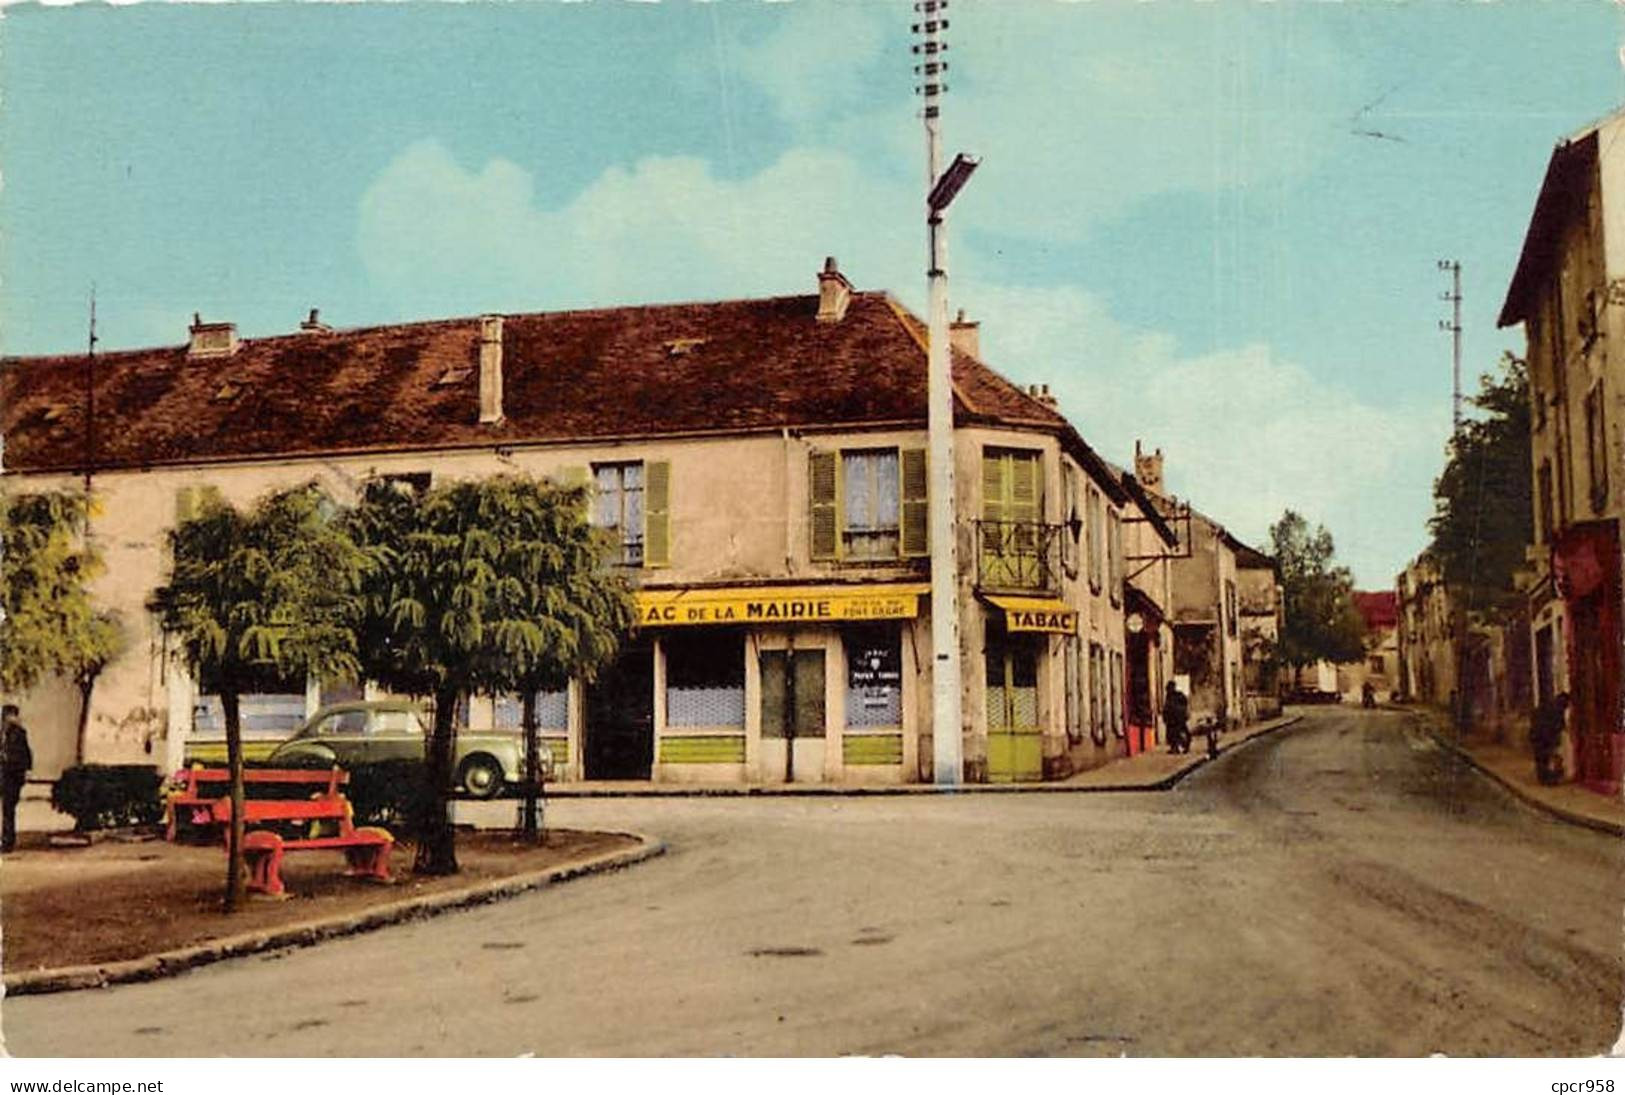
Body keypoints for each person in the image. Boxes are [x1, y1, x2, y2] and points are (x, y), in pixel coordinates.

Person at [1, 704, 33, 853]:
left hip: (12, 775)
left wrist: (27, 771)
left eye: (9, 715)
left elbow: (26, 754)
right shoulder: (1, 731)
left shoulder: (19, 733)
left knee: (8, 809)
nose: (7, 718)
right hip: (2, 774)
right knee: (7, 809)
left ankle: (8, 842)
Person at [1531, 692, 1569, 787]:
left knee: (1541, 759)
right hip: (1545, 737)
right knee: (1547, 758)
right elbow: (1559, 725)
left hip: (1537, 736)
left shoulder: (1547, 706)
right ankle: (1549, 779)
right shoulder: (1557, 709)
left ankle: (1543, 778)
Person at [1163, 681, 1190, 755]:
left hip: (1178, 718)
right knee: (1173, 735)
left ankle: (1183, 747)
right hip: (1173, 719)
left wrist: (1183, 712)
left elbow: (1185, 703)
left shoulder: (1178, 695)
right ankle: (1175, 748)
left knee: (1181, 733)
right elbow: (1166, 707)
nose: (1168, 690)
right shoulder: (1169, 696)